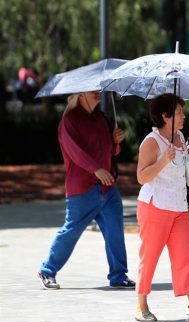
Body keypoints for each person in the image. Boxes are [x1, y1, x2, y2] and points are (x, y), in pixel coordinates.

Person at [135, 94, 189, 322]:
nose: (184, 116)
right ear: (165, 116)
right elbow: (142, 176)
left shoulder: (180, 137)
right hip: (155, 207)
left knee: (186, 257)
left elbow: (182, 171)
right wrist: (163, 160)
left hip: (180, 207)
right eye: (178, 113)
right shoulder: (151, 142)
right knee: (150, 256)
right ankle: (141, 305)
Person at [37, 91, 134, 290]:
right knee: (70, 232)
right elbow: (75, 153)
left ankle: (118, 275)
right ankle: (46, 271)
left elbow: (109, 150)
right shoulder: (69, 121)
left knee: (115, 231)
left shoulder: (102, 118)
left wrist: (116, 141)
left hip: (108, 189)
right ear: (80, 95)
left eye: (98, 90)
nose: (98, 93)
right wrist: (95, 169)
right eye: (93, 91)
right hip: (82, 189)